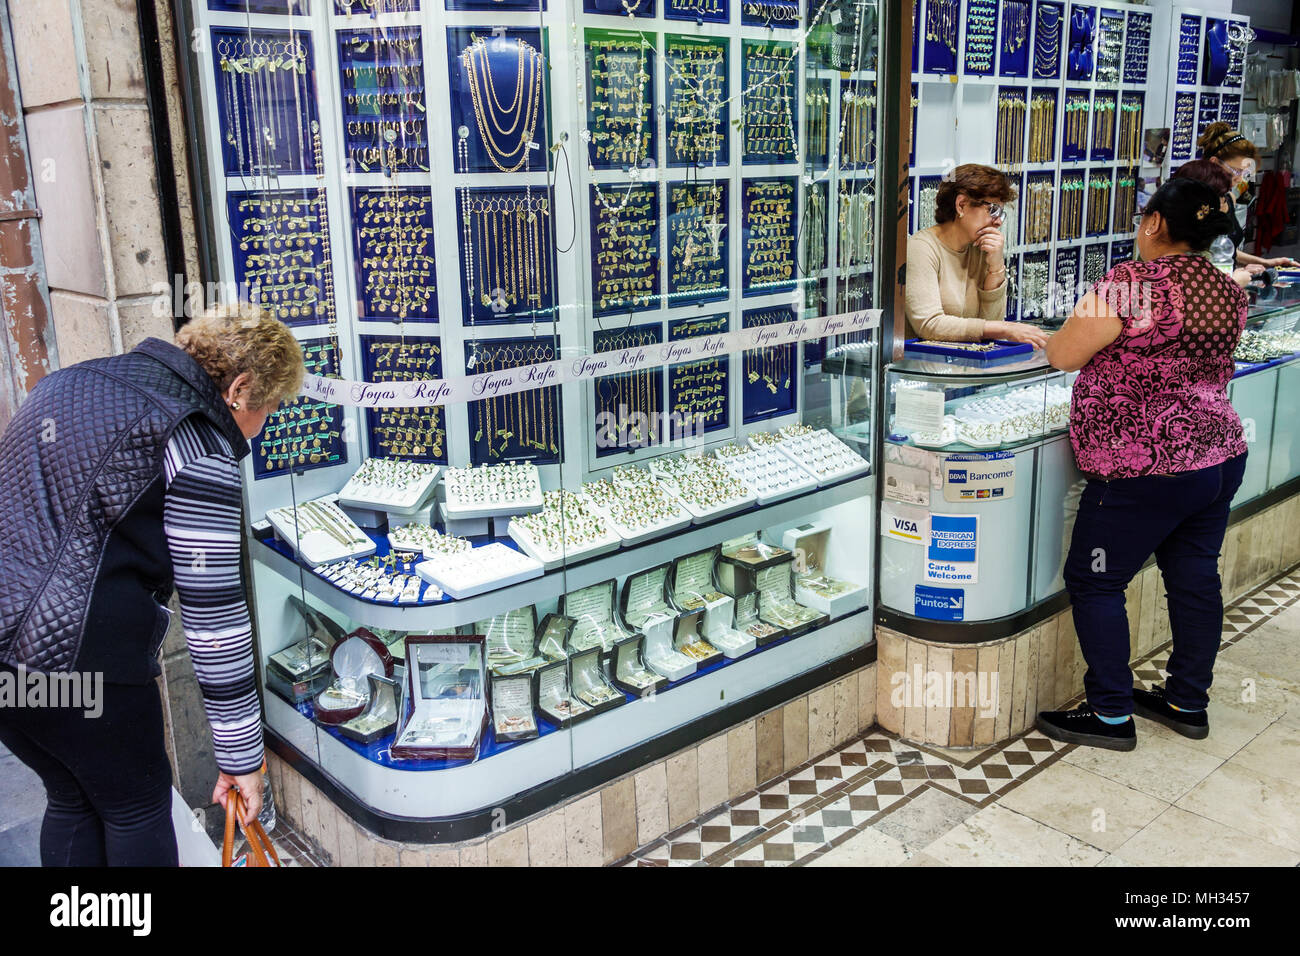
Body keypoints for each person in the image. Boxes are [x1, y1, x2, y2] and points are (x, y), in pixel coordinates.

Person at [0, 303, 304, 865]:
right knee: (135, 809)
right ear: (238, 390)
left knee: (72, 797)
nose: (263, 428)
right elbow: (214, 615)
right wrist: (242, 756)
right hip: (84, 665)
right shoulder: (196, 436)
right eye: (270, 407)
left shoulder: (68, 382)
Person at [1036, 178, 1249, 751]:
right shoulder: (1227, 288)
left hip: (1145, 466)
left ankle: (1110, 715)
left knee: (1094, 580)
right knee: (1194, 577)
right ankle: (1186, 702)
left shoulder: (1130, 284)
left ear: (1154, 223)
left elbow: (1062, 354)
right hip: (1218, 455)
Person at [905, 164, 1051, 348]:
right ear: (961, 205)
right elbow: (929, 325)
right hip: (925, 369)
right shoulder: (921, 248)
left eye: (1001, 214)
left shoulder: (981, 248)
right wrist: (1006, 329)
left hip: (968, 369)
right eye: (993, 210)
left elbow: (990, 328)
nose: (998, 221)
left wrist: (996, 267)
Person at [1197, 122, 1300, 272]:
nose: (1239, 179)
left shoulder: (1228, 199)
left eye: (1244, 174)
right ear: (1214, 163)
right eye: (1236, 171)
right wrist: (1237, 275)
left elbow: (1226, 251)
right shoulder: (1193, 201)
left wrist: (1268, 263)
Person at [1172, 158, 1261, 287]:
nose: (1226, 205)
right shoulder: (1177, 245)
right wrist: (1233, 283)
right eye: (1222, 198)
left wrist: (1235, 274)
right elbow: (1195, 295)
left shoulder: (1198, 239)